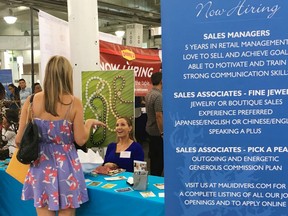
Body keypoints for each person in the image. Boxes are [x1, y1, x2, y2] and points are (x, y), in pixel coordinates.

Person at [15, 55, 105, 216]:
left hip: (40, 164)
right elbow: (80, 139)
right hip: (67, 165)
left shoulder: (31, 100)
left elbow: (19, 140)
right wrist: (89, 123)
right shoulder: (74, 103)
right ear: (67, 75)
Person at [145, 72, 163, 176]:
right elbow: (159, 116)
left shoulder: (149, 94)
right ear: (162, 81)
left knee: (153, 159)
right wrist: (163, 132)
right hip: (157, 132)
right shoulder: (158, 96)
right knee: (158, 160)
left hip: (150, 130)